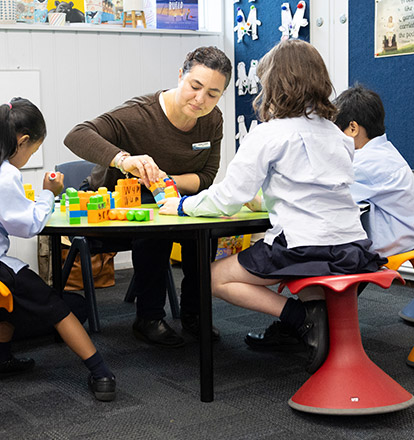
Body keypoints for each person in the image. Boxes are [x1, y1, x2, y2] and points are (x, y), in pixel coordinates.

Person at [159, 40, 387, 373]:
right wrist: (268, 197)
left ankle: (297, 318)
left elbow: (227, 198)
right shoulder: (339, 136)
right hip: (351, 246)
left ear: (274, 85)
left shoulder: (268, 134)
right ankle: (308, 323)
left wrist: (181, 206)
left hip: (302, 248)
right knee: (306, 270)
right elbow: (315, 184)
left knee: (212, 278)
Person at [0, 98, 116, 401]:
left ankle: (0, 360)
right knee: (55, 305)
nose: (28, 158)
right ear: (23, 140)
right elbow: (28, 227)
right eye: (32, 151)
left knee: (11, 296)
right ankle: (101, 372)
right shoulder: (2, 175)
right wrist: (47, 194)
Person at [63, 46, 233, 348]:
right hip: (115, 206)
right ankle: (149, 318)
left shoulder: (212, 120)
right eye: (195, 87)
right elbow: (76, 135)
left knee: (204, 233)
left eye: (213, 94)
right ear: (180, 75)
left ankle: (194, 314)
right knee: (156, 232)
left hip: (168, 201)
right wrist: (123, 160)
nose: (200, 100)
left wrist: (164, 181)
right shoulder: (137, 115)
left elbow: (206, 177)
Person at [333, 84, 414, 258]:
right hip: (410, 233)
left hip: (394, 241)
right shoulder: (384, 152)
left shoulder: (365, 164)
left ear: (353, 128)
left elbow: (328, 193)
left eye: (338, 132)